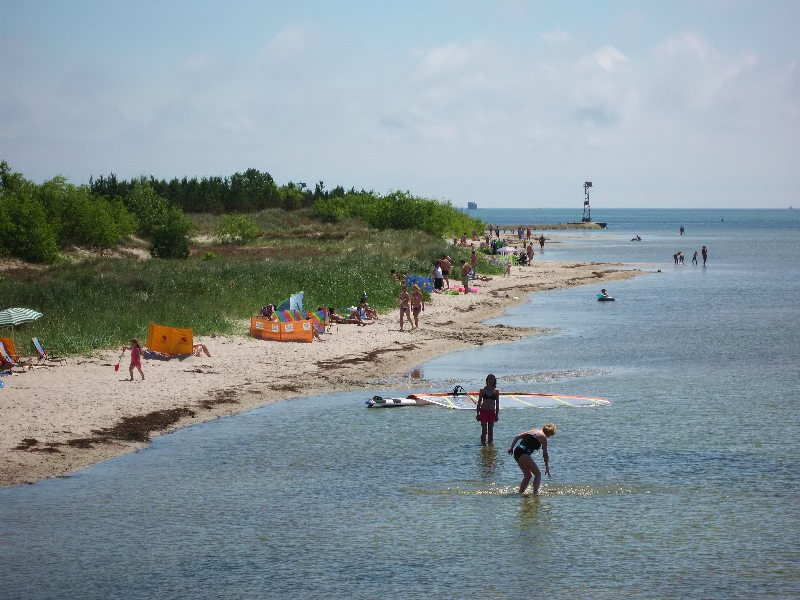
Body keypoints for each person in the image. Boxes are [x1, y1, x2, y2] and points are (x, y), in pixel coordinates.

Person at [507, 423, 556, 495]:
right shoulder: (543, 437)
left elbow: (517, 437)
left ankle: (520, 493)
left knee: (528, 475)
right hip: (523, 453)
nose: (548, 437)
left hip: (517, 452)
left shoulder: (533, 430)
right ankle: (535, 494)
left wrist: (511, 448)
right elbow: (545, 454)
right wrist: (547, 468)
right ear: (548, 433)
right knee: (538, 474)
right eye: (549, 436)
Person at [475, 374, 499, 446]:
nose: (491, 381)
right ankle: (483, 446)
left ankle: (490, 448)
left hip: (492, 412)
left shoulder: (496, 391)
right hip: (483, 411)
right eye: (489, 379)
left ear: (494, 380)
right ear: (487, 380)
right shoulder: (482, 390)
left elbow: (497, 404)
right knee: (484, 431)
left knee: (491, 431)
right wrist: (478, 414)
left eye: (492, 379)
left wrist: (496, 415)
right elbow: (479, 403)